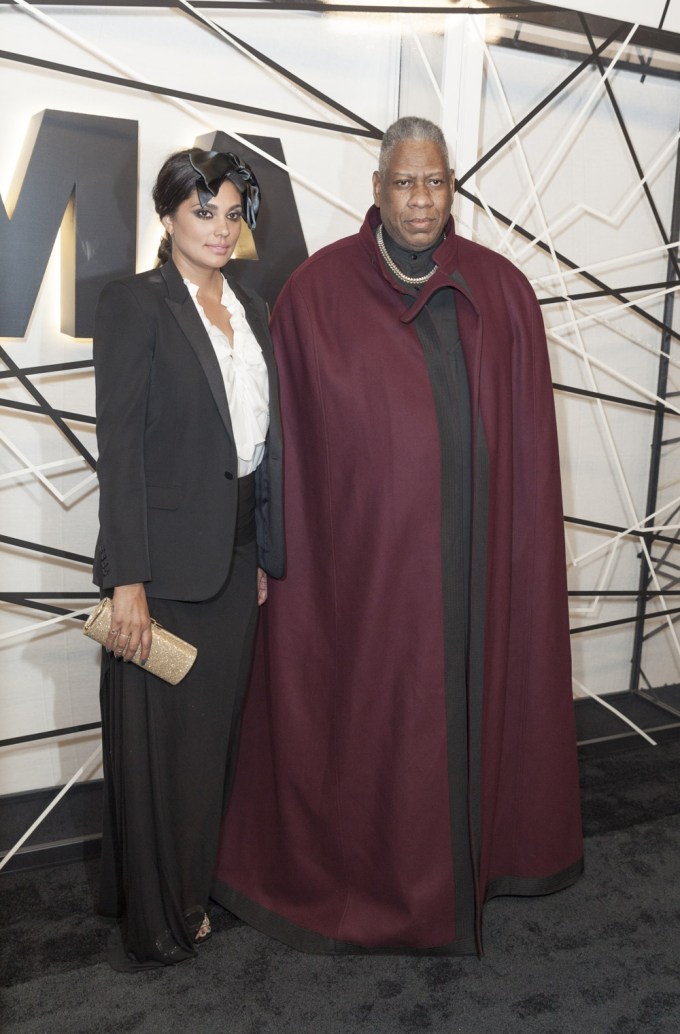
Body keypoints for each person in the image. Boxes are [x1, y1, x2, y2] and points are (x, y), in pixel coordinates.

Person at [212, 117, 583, 957]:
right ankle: (376, 879)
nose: (421, 200)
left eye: (436, 182)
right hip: (370, 583)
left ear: (453, 188)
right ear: (376, 190)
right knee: (385, 730)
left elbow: (525, 458)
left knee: (472, 706)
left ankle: (484, 860)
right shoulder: (317, 294)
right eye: (405, 184)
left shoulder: (503, 290)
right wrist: (276, 559)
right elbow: (287, 453)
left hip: (478, 572)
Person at [92, 147, 284, 970]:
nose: (220, 227)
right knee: (160, 750)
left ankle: (187, 889)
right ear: (168, 216)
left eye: (232, 213)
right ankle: (161, 920)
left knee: (209, 747)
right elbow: (122, 449)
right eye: (203, 211)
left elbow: (261, 445)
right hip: (163, 570)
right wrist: (125, 580)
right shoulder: (135, 304)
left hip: (236, 559)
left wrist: (261, 548)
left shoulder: (254, 307)